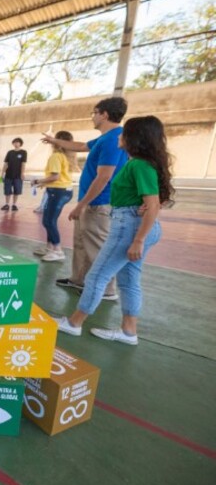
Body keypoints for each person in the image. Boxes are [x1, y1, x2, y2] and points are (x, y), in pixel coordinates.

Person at [55, 116, 172, 346]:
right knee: (128, 280)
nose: (119, 136)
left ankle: (74, 323)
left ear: (135, 138)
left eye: (124, 133)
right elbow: (158, 200)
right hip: (132, 224)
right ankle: (129, 331)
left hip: (129, 229)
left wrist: (138, 240)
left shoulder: (139, 165)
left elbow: (155, 203)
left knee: (97, 276)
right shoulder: (140, 164)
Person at [43, 97, 129, 300]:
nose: (93, 116)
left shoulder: (112, 140)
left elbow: (104, 176)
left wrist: (81, 205)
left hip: (98, 203)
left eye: (94, 112)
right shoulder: (104, 138)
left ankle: (107, 289)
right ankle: (79, 279)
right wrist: (54, 140)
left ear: (104, 114)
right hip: (90, 202)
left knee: (97, 246)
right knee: (81, 243)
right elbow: (81, 146)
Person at [31, 131, 76, 262]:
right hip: (64, 191)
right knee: (51, 220)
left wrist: (38, 181)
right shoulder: (66, 156)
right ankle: (50, 247)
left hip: (58, 192)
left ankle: (57, 250)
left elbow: (55, 176)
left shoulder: (56, 156)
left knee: (48, 221)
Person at [1, 138, 27, 211]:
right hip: (8, 175)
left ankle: (14, 205)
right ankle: (7, 204)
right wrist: (2, 173)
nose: (16, 144)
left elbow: (23, 164)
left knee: (17, 190)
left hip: (18, 176)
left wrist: (22, 173)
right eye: (14, 142)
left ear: (20, 143)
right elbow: (6, 163)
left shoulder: (23, 152)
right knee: (7, 190)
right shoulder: (10, 152)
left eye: (17, 142)